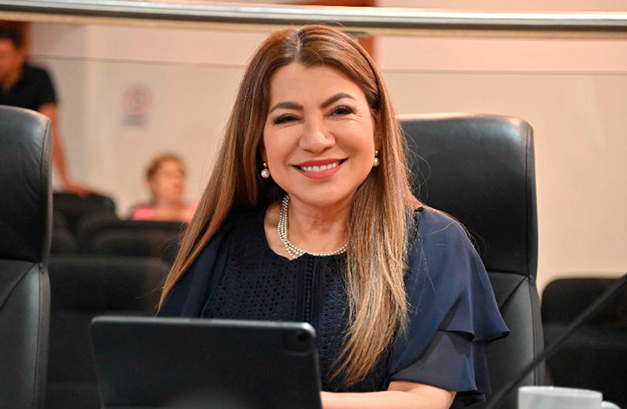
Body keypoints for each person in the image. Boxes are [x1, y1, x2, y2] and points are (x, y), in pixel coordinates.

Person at [158, 25, 509, 409]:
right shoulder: (218, 242)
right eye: (287, 118)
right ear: (259, 143)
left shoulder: (434, 243)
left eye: (340, 111)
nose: (316, 139)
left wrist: (276, 402)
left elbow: (419, 402)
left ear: (377, 129)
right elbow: (164, 383)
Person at [0, 26, 91, 195]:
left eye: (3, 56)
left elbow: (51, 130)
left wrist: (65, 179)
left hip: (26, 163)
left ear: (20, 55)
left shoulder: (38, 78)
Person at [130, 153, 196, 223]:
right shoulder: (139, 215)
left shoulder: (196, 211)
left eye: (181, 175)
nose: (177, 181)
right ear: (152, 183)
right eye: (169, 175)